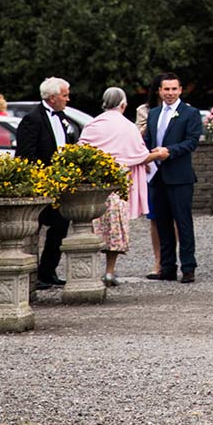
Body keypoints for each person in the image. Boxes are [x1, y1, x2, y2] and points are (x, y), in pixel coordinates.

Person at [79, 88, 153, 285]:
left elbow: (81, 150)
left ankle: (90, 273)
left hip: (93, 187)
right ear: (123, 104)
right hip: (118, 187)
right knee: (114, 231)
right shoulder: (128, 127)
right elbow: (140, 154)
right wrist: (158, 156)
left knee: (92, 230)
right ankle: (109, 272)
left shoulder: (92, 124)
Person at [14, 76, 78, 290]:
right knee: (35, 229)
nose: (67, 99)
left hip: (60, 185)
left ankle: (48, 270)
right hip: (40, 185)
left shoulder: (62, 117)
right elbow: (24, 155)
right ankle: (33, 274)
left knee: (60, 227)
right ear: (52, 98)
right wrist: (42, 177)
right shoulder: (33, 119)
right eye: (64, 95)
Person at [143, 72, 202, 284]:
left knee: (183, 223)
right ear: (159, 91)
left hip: (180, 177)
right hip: (157, 177)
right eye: (165, 89)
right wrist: (146, 158)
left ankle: (188, 267)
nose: (169, 93)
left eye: (173, 89)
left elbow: (192, 141)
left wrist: (169, 151)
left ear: (180, 90)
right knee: (162, 224)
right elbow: (148, 140)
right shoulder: (154, 113)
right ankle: (167, 267)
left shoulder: (190, 113)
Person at [134, 75, 164, 276]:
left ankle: (173, 257)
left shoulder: (183, 110)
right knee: (155, 218)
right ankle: (158, 260)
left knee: (177, 219)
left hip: (171, 165)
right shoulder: (144, 111)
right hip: (152, 168)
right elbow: (136, 138)